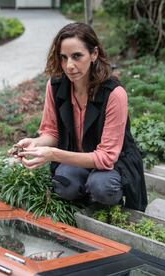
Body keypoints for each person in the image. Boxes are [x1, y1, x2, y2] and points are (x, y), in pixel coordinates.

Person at [16, 22, 147, 211]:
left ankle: (104, 194)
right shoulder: (55, 86)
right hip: (77, 156)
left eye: (77, 56)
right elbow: (52, 132)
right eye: (63, 57)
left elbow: (106, 158)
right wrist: (35, 143)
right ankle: (86, 191)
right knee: (62, 183)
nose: (69, 66)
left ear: (94, 54)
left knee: (102, 187)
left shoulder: (114, 93)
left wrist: (52, 154)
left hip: (113, 165)